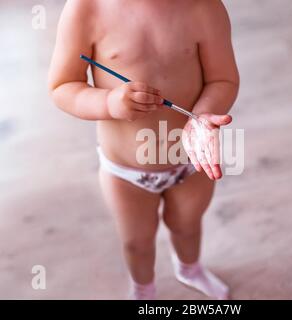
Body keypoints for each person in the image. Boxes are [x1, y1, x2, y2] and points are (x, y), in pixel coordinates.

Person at [48, 0, 239, 300]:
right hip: (126, 172)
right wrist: (109, 102)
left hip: (189, 161)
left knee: (187, 226)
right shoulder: (85, 8)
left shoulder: (203, 6)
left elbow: (223, 79)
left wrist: (202, 117)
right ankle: (143, 290)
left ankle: (189, 269)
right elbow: (62, 86)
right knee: (137, 242)